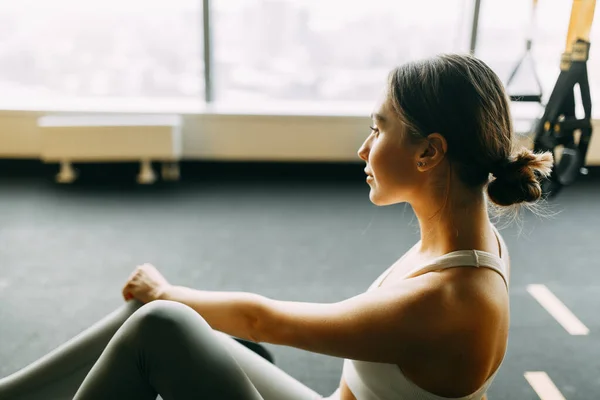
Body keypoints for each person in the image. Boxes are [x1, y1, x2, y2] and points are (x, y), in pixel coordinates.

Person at [0, 53, 553, 400]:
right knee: (159, 315)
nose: (363, 148)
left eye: (378, 129)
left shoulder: (446, 299)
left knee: (164, 322)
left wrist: (167, 293)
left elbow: (261, 318)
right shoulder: (472, 240)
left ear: (430, 153)